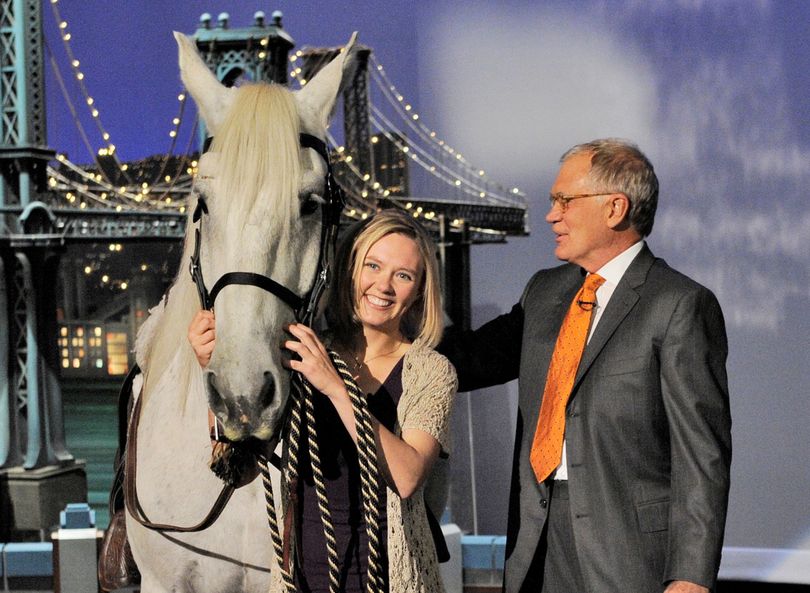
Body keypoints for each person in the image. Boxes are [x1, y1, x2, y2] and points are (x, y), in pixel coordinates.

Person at [440, 139, 731, 593]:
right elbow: (469, 361)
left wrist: (691, 576)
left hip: (629, 558)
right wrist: (372, 337)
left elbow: (702, 457)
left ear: (615, 208)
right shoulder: (543, 292)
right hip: (536, 546)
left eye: (564, 200)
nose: (551, 215)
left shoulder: (679, 305)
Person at [188, 209, 457, 593]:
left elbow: (408, 476)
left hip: (391, 581)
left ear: (419, 291)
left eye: (403, 275)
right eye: (373, 266)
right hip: (302, 581)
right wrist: (211, 370)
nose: (383, 286)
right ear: (348, 271)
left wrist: (335, 387)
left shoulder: (432, 371)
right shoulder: (305, 354)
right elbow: (238, 468)